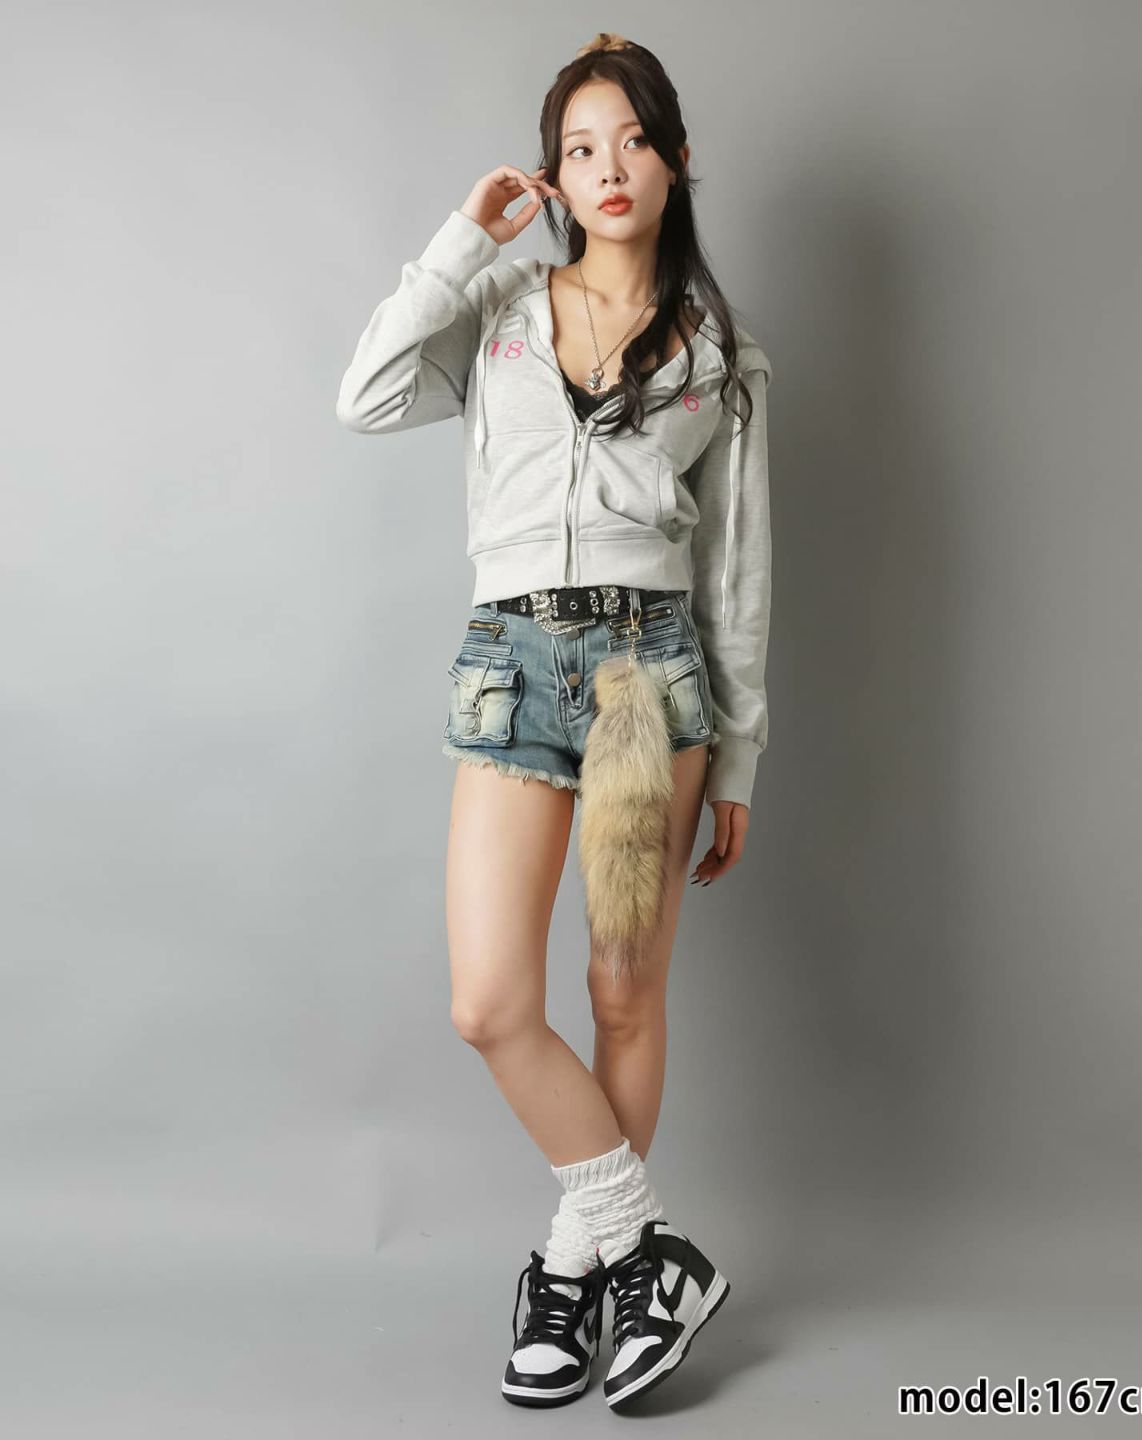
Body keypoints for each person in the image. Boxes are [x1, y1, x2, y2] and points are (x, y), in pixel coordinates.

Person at [336, 32, 772, 1411]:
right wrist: (461, 243)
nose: (608, 168)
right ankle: (649, 1248)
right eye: (580, 149)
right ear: (553, 178)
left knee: (622, 994)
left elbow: (736, 572)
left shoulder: (718, 355)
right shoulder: (504, 309)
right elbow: (365, 396)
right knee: (490, 1003)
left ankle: (575, 1275)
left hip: (653, 680)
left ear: (675, 158)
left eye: (631, 140)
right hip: (514, 667)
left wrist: (741, 757)